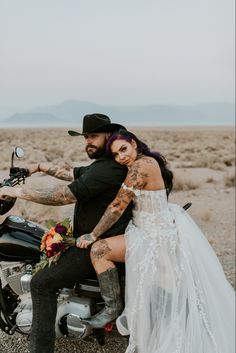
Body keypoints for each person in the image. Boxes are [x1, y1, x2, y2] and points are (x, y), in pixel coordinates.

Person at [77, 129, 235, 353]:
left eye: (123, 149)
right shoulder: (145, 162)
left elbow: (117, 206)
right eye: (115, 154)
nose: (121, 157)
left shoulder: (141, 167)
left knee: (99, 250)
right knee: (165, 287)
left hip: (154, 236)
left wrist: (92, 235)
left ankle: (112, 309)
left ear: (133, 144)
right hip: (147, 228)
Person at [0, 114, 133, 353]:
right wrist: (38, 167)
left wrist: (19, 192)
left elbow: (64, 195)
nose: (88, 142)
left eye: (93, 136)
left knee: (41, 283)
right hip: (92, 240)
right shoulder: (103, 165)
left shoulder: (107, 169)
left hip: (95, 245)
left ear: (109, 136)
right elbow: (71, 173)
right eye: (85, 137)